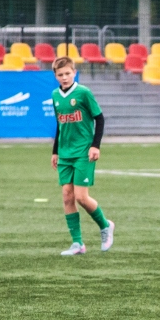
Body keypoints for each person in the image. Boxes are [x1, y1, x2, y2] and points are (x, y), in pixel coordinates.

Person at [50, 56, 113, 256]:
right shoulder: (55, 95)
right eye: (60, 74)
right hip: (65, 153)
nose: (64, 77)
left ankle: (105, 225)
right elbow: (60, 125)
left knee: (81, 197)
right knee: (67, 197)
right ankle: (77, 243)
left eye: (68, 73)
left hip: (83, 152)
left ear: (74, 73)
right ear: (55, 76)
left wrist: (95, 146)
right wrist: (55, 151)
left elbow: (99, 119)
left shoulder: (83, 93)